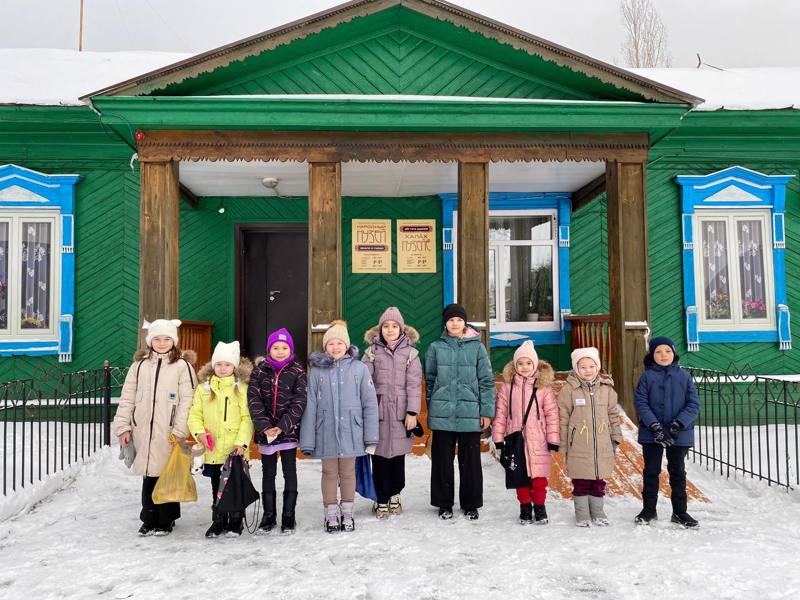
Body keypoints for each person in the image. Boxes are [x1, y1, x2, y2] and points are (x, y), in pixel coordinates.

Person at [113, 319, 197, 536]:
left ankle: (166, 518)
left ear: (174, 341)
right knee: (149, 473)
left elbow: (189, 400)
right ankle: (149, 517)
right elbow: (127, 397)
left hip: (168, 430)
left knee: (166, 473)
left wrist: (180, 429)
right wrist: (123, 426)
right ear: (150, 341)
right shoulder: (139, 367)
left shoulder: (182, 366)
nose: (161, 343)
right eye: (157, 339)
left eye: (166, 338)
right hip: (142, 429)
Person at [300, 320, 379, 533]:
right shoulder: (317, 372)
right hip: (325, 431)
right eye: (331, 344)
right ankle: (331, 513)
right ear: (325, 347)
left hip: (352, 431)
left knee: (347, 472)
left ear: (346, 345)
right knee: (328, 472)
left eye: (339, 343)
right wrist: (307, 440)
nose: (335, 347)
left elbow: (369, 403)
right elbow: (311, 405)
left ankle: (347, 512)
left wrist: (371, 438)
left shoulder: (359, 369)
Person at [425, 303, 495, 521]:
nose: (455, 323)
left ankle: (471, 503)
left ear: (465, 323)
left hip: (470, 410)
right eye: (451, 320)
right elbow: (430, 380)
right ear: (445, 323)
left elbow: (486, 381)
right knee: (442, 461)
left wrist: (486, 411)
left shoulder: (477, 347)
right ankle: (443, 503)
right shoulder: (435, 347)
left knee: (471, 461)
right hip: (443, 412)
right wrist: (433, 406)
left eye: (459, 320)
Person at [188, 340, 254, 537]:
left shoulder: (242, 388)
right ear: (213, 365)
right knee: (216, 484)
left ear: (234, 366)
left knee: (234, 484)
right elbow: (194, 415)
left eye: (227, 365)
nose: (223, 368)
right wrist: (199, 433)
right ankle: (218, 519)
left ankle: (236, 520)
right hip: (213, 447)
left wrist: (241, 443)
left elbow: (247, 417)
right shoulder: (204, 388)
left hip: (234, 448)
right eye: (219, 364)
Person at [634, 336, 701, 528]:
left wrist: (677, 425)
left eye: (667, 351)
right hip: (651, 433)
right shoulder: (646, 377)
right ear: (652, 355)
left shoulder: (684, 377)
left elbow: (693, 404)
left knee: (678, 472)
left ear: (674, 353)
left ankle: (680, 512)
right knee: (651, 471)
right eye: (658, 352)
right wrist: (655, 426)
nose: (663, 355)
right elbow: (641, 402)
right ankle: (649, 510)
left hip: (678, 433)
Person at [362, 307, 422, 518]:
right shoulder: (371, 352)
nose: (390, 330)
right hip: (377, 413)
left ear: (401, 329)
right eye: (386, 326)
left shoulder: (411, 354)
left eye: (394, 326)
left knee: (397, 457)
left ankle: (395, 494)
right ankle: (381, 499)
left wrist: (413, 412)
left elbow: (414, 385)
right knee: (379, 458)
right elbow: (363, 381)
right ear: (380, 329)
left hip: (400, 413)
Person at [492, 341, 559, 525]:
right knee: (520, 478)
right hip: (516, 440)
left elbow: (552, 413)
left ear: (535, 364)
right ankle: (525, 508)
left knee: (538, 479)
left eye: (528, 363)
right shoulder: (507, 388)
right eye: (520, 363)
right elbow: (501, 414)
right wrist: (498, 438)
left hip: (538, 440)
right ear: (515, 366)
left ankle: (539, 507)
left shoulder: (543, 388)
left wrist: (553, 438)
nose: (524, 367)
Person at [247, 328, 307, 534]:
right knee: (268, 473)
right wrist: (265, 427)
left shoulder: (297, 371)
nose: (280, 351)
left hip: (287, 431)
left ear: (290, 349)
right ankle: (269, 515)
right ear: (268, 349)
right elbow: (253, 400)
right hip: (266, 434)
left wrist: (282, 426)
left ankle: (288, 515)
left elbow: (300, 401)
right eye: (275, 347)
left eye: (284, 347)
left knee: (289, 471)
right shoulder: (259, 371)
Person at [558, 347, 622, 527]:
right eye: (583, 367)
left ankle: (598, 511)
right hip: (578, 443)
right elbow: (563, 417)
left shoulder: (607, 389)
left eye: (591, 366)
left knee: (598, 479)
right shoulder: (569, 390)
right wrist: (563, 443)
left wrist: (615, 436)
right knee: (581, 480)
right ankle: (582, 513)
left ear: (598, 366)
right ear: (576, 369)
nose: (588, 371)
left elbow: (613, 414)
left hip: (601, 442)